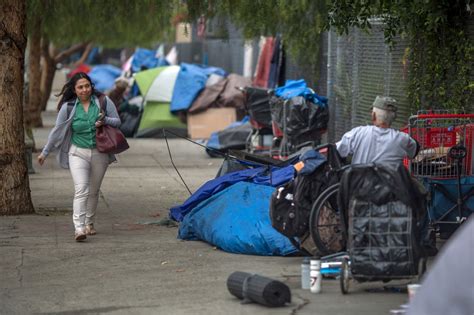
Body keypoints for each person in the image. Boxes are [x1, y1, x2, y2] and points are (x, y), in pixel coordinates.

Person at [37, 72, 121, 242]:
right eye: (80, 87)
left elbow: (118, 121)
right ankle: (79, 228)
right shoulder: (68, 107)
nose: (84, 89)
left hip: (100, 152)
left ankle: (89, 222)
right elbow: (57, 131)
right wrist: (45, 152)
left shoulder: (103, 101)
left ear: (91, 86)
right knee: (81, 189)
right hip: (77, 152)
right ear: (74, 90)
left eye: (87, 86)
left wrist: (105, 121)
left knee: (94, 190)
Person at [336, 96, 418, 166]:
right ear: (394, 118)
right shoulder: (402, 139)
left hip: (359, 183)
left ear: (373, 115)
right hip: (389, 184)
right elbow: (415, 149)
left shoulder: (357, 133)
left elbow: (337, 150)